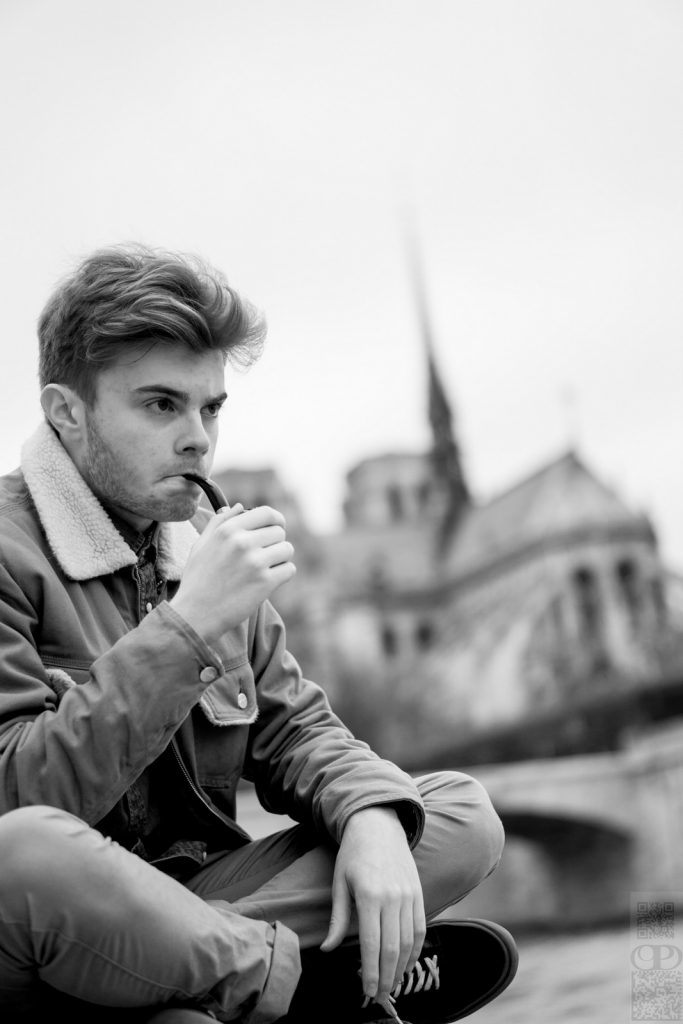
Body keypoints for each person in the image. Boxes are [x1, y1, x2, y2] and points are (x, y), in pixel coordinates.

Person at [0, 243, 518, 1023]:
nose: (197, 439)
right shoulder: (11, 548)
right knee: (24, 853)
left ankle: (196, 985)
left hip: (202, 904)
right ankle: (311, 988)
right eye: (160, 405)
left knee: (457, 816)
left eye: (210, 408)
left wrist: (369, 815)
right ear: (66, 413)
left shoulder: (203, 548)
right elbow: (16, 793)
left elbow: (298, 730)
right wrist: (187, 628)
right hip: (44, 931)